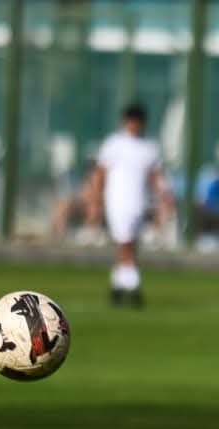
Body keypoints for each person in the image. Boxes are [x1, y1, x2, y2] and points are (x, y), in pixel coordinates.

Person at [89, 102, 173, 306]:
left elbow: (155, 176)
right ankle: (134, 286)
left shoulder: (149, 147)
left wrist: (164, 196)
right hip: (117, 200)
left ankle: (117, 286)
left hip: (138, 201)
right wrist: (96, 199)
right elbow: (100, 172)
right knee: (125, 242)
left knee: (130, 245)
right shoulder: (114, 144)